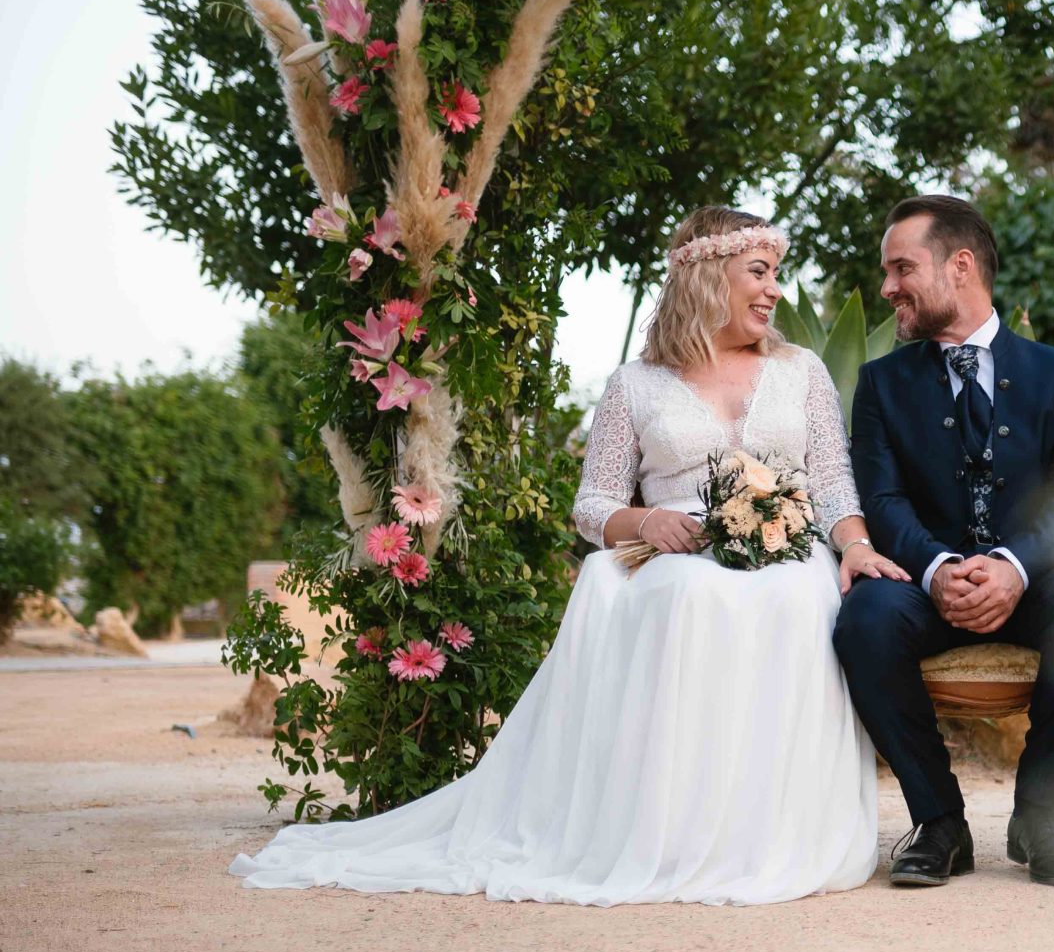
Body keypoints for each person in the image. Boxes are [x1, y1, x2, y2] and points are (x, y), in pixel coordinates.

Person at [230, 207, 885, 905]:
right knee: (686, 594)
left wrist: (855, 547)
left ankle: (766, 833)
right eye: (759, 272)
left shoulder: (802, 370)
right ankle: (667, 832)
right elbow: (592, 503)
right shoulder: (636, 384)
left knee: (794, 595)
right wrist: (647, 519)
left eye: (775, 274)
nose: (773, 290)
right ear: (705, 274)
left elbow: (835, 479)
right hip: (675, 544)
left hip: (788, 543)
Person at [833, 194, 1054, 889]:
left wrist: (1014, 568)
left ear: (960, 266)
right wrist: (935, 568)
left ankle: (1038, 814)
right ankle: (940, 821)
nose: (887, 286)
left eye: (902, 267)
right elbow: (882, 496)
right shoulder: (881, 384)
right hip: (924, 585)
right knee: (864, 622)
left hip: (1035, 580)